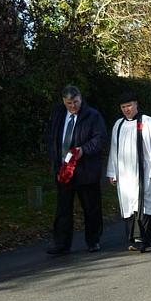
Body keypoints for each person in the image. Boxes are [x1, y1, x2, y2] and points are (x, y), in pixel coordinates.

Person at [107, 92, 151, 252]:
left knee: (144, 205)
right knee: (129, 205)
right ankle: (134, 239)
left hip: (146, 171)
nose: (126, 110)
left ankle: (146, 239)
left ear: (136, 104)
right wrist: (112, 171)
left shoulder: (148, 122)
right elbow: (114, 149)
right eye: (123, 107)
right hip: (125, 174)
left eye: (129, 105)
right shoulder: (118, 125)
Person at [46, 85, 107, 255]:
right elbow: (52, 137)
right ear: (63, 101)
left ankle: (93, 240)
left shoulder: (93, 116)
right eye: (69, 103)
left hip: (86, 170)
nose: (73, 106)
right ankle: (61, 244)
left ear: (81, 98)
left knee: (91, 208)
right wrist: (54, 160)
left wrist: (83, 150)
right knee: (63, 209)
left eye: (75, 102)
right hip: (64, 171)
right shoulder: (58, 114)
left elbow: (100, 139)